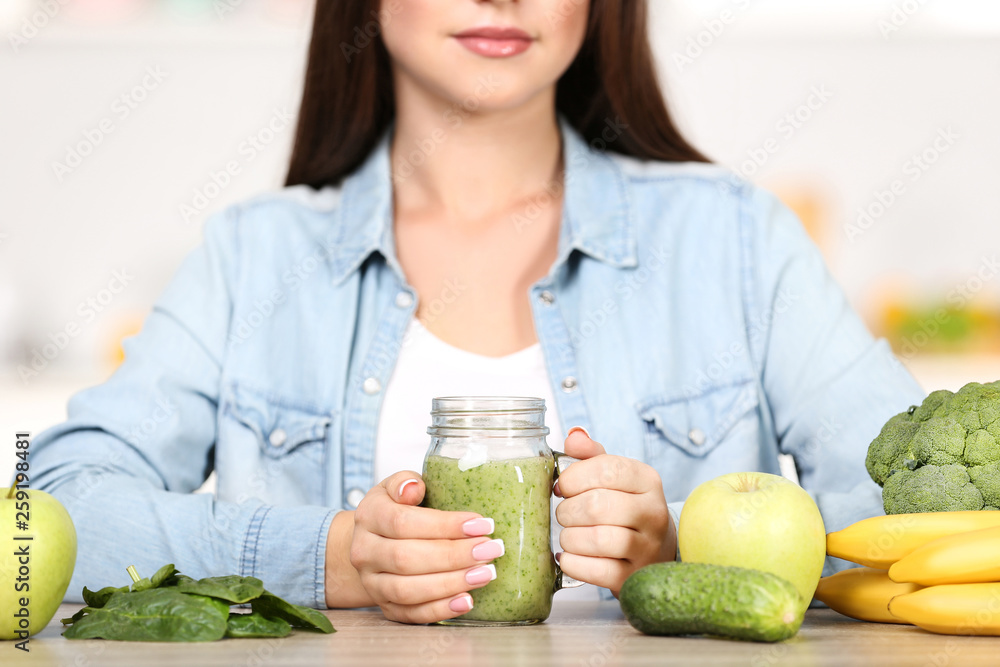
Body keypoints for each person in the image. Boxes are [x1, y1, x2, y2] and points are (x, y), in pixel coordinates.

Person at [30, 0, 924, 624]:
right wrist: (330, 557)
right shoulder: (254, 258)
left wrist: (688, 545)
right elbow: (54, 511)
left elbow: (917, 525)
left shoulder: (735, 240)